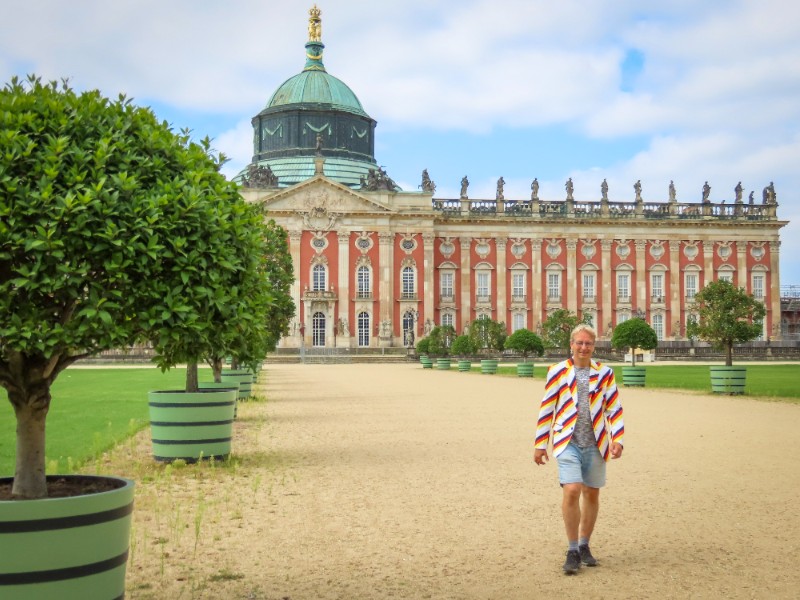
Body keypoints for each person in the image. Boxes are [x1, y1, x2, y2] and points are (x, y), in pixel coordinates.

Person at [534, 324, 625, 575]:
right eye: (579, 343)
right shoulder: (558, 372)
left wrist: (617, 438)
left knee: (592, 495)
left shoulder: (605, 373)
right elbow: (547, 408)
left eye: (588, 344)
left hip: (596, 443)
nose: (584, 348)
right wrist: (540, 444)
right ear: (571, 344)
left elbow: (613, 408)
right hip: (567, 442)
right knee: (573, 489)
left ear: (594, 346)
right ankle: (572, 549)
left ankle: (585, 545)